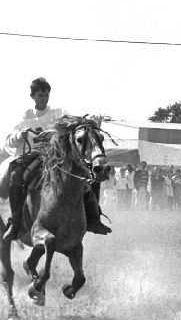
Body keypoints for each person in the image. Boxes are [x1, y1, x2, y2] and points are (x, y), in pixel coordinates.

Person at [1, 76, 111, 240]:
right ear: (33, 96)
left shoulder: (58, 114)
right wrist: (20, 134)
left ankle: (94, 219)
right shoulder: (25, 118)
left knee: (89, 176)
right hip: (32, 156)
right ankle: (16, 221)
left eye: (46, 95)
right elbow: (8, 140)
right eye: (40, 95)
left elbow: (76, 127)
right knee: (17, 176)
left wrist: (93, 123)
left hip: (57, 156)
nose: (43, 99)